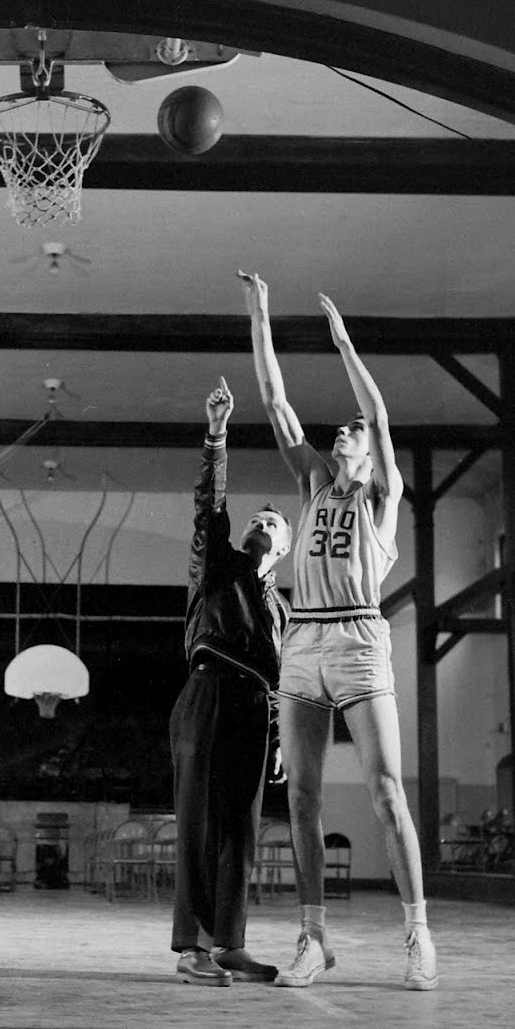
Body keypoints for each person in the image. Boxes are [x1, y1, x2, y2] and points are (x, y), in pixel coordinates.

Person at [242, 270, 438, 992]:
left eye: (349, 429)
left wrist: (343, 339)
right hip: (304, 645)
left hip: (358, 640)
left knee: (388, 791)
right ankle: (313, 938)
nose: (344, 429)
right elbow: (273, 401)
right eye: (343, 429)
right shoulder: (314, 485)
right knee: (300, 799)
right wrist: (261, 319)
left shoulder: (382, 496)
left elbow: (380, 417)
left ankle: (418, 932)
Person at [171, 375, 292, 986]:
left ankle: (230, 943)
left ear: (284, 548)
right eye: (257, 516)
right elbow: (209, 508)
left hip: (254, 713)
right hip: (208, 694)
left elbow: (285, 683)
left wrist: (282, 743)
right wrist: (217, 437)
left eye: (273, 520)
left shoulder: (283, 611)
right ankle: (192, 949)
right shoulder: (216, 564)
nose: (261, 521)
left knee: (241, 832)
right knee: (198, 822)